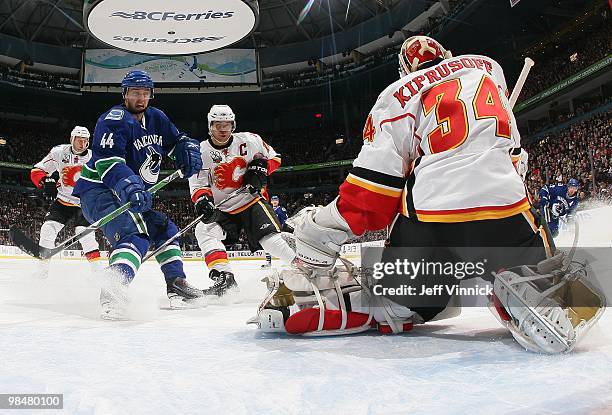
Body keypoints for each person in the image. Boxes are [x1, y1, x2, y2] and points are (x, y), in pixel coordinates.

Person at [249, 36, 603, 353]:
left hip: (429, 219)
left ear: (405, 68)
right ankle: (530, 289)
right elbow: (516, 160)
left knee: (405, 300)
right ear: (447, 55)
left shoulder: (396, 96)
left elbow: (372, 191)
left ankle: (367, 304)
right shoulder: (488, 73)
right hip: (504, 209)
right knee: (543, 279)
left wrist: (320, 230)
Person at [73, 70, 204, 319]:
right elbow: (108, 163)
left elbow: (175, 142)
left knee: (166, 230)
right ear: (125, 94)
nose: (140, 98)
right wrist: (129, 186)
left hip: (128, 193)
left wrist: (185, 152)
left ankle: (176, 285)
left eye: (145, 93)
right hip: (99, 191)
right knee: (135, 234)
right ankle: (112, 290)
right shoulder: (113, 120)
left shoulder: (157, 118)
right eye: (135, 93)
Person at [189, 105, 297, 297]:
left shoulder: (250, 140)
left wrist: (261, 167)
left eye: (227, 124)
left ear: (233, 125)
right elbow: (198, 184)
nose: (223, 129)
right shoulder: (200, 152)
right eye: (217, 125)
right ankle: (225, 278)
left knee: (270, 240)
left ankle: (305, 267)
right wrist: (203, 200)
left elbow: (275, 157)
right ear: (209, 126)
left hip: (251, 202)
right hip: (223, 209)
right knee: (203, 230)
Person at [30, 126, 102, 278]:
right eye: (79, 140)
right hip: (63, 201)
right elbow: (37, 171)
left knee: (86, 235)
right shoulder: (58, 152)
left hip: (85, 204)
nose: (82, 144)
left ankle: (98, 273)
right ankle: (42, 271)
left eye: (85, 141)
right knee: (47, 230)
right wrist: (46, 181)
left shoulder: (95, 157)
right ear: (71, 139)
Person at [261, 195, 292, 269]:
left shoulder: (281, 209)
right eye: (273, 200)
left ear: (278, 201)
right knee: (267, 245)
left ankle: (289, 260)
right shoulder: (269, 209)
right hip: (271, 230)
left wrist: (283, 230)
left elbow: (285, 220)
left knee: (285, 246)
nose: (274, 201)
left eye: (276, 200)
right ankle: (268, 262)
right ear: (271, 201)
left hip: (280, 231)